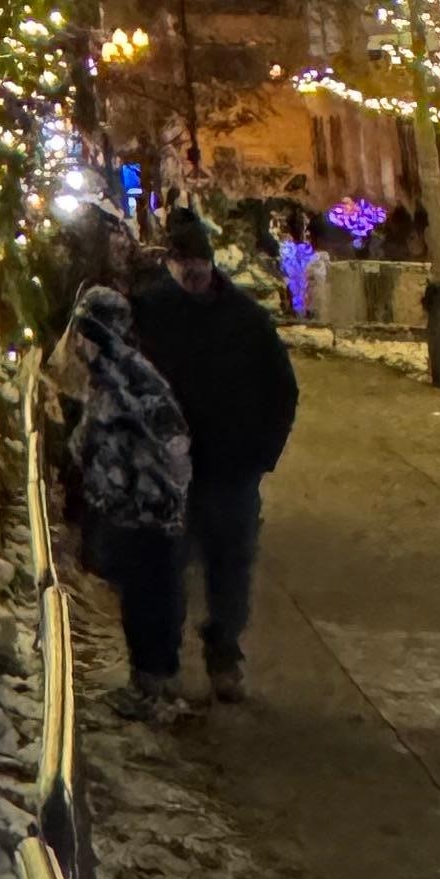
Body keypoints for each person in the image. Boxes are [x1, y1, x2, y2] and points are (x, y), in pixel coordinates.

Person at [134, 203, 299, 702]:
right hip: (171, 469)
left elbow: (281, 389)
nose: (193, 272)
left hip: (230, 467)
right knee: (166, 568)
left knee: (231, 563)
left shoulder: (245, 319)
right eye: (183, 263)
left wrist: (261, 451)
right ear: (171, 264)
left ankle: (224, 649)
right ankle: (161, 665)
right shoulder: (152, 312)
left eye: (199, 262)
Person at [52, 282, 195, 721]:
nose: (77, 344)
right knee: (139, 595)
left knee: (150, 596)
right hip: (132, 508)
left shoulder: (128, 377)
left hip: (147, 511)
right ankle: (150, 679)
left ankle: (156, 684)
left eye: (83, 334)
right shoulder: (108, 375)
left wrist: (149, 483)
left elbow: (170, 439)